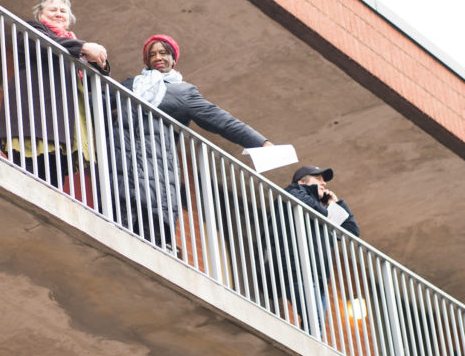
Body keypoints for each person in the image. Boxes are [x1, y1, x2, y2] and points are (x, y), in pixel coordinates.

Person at [114, 34, 273, 249]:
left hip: (157, 165)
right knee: (118, 206)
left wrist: (260, 143)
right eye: (152, 54)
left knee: (150, 214)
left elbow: (222, 121)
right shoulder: (132, 84)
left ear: (173, 59)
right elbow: (99, 98)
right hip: (121, 156)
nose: (157, 57)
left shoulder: (183, 92)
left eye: (163, 52)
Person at [0, 0, 110, 189]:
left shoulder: (72, 47)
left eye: (63, 11)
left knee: (53, 180)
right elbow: (47, 44)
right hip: (34, 118)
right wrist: (84, 47)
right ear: (40, 15)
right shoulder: (31, 29)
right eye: (53, 9)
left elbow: (97, 73)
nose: (59, 13)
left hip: (60, 126)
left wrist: (98, 60)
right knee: (29, 173)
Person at [268, 165, 359, 336]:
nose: (323, 183)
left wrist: (336, 203)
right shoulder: (294, 192)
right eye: (318, 179)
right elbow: (299, 197)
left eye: (324, 180)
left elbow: (352, 231)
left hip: (319, 278)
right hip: (296, 270)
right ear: (303, 182)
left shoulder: (320, 212)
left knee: (316, 328)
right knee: (314, 325)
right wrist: (325, 212)